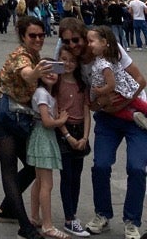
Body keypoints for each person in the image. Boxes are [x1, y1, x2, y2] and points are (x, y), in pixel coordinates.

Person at [56, 18, 147, 239]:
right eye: (67, 42)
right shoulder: (73, 61)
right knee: (101, 166)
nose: (72, 45)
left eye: (76, 40)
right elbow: (79, 96)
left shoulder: (110, 51)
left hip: (135, 115)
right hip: (107, 117)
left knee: (136, 168)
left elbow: (140, 80)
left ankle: (132, 221)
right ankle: (102, 214)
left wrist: (123, 105)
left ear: (85, 37)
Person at [0, 15, 57, 239]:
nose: (38, 39)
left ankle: (7, 207)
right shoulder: (21, 56)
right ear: (23, 36)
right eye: (33, 35)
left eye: (41, 35)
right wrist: (36, 74)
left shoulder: (35, 55)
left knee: (33, 163)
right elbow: (27, 73)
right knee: (9, 164)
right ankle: (25, 226)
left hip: (14, 112)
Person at [27, 67, 68, 239]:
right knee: (46, 183)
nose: (51, 74)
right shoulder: (42, 93)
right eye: (47, 71)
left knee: (39, 181)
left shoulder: (45, 93)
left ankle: (35, 217)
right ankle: (48, 225)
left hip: (41, 137)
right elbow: (46, 121)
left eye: (55, 71)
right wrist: (61, 120)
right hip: (44, 136)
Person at [55, 45, 91, 237]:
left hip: (80, 130)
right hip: (64, 130)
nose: (68, 64)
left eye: (71, 60)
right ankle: (69, 218)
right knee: (67, 176)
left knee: (76, 176)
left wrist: (85, 136)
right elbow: (55, 110)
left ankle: (73, 214)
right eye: (64, 59)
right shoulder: (56, 82)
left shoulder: (81, 83)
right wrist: (68, 136)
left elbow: (86, 111)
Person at [86, 27, 147, 129]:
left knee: (120, 110)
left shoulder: (104, 64)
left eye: (91, 41)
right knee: (135, 104)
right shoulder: (110, 58)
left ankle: (134, 116)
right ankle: (139, 115)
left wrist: (100, 91)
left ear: (103, 42)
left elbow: (111, 84)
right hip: (125, 91)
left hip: (120, 92)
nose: (88, 45)